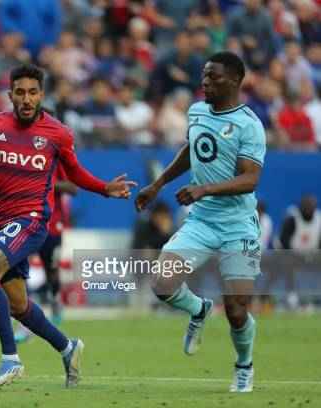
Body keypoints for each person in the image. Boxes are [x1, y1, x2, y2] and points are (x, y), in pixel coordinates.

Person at [0, 64, 136, 387]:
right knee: (18, 305)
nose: (26, 99)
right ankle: (68, 348)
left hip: (32, 220)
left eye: (33, 92)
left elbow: (76, 172)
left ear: (42, 94)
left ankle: (10, 359)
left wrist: (104, 188)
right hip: (0, 223)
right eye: (20, 92)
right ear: (10, 94)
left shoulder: (58, 133)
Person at [135, 52, 266, 393]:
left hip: (239, 226)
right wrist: (158, 184)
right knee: (162, 282)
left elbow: (250, 179)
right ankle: (200, 309)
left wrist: (204, 188)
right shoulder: (196, 111)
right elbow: (191, 149)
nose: (205, 82)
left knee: (237, 310)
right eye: (204, 76)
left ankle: (244, 366)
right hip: (202, 222)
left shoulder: (249, 124)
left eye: (214, 78)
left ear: (235, 81)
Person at [14, 164, 76, 343]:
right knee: (19, 269)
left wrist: (46, 183)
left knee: (51, 271)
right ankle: (25, 321)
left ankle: (56, 303)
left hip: (52, 228)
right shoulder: (21, 157)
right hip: (27, 224)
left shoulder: (58, 162)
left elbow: (72, 188)